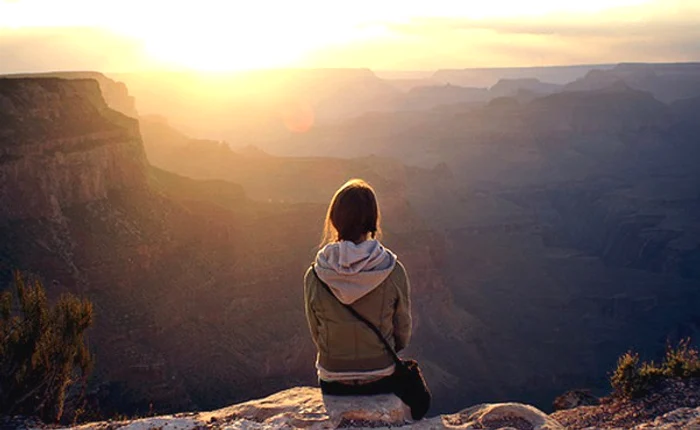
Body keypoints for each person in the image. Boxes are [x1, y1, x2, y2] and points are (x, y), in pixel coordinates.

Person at [303, 179, 412, 395]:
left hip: (332, 378)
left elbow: (315, 330)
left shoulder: (315, 274)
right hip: (380, 374)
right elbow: (403, 330)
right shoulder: (392, 269)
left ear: (335, 219)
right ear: (372, 219)